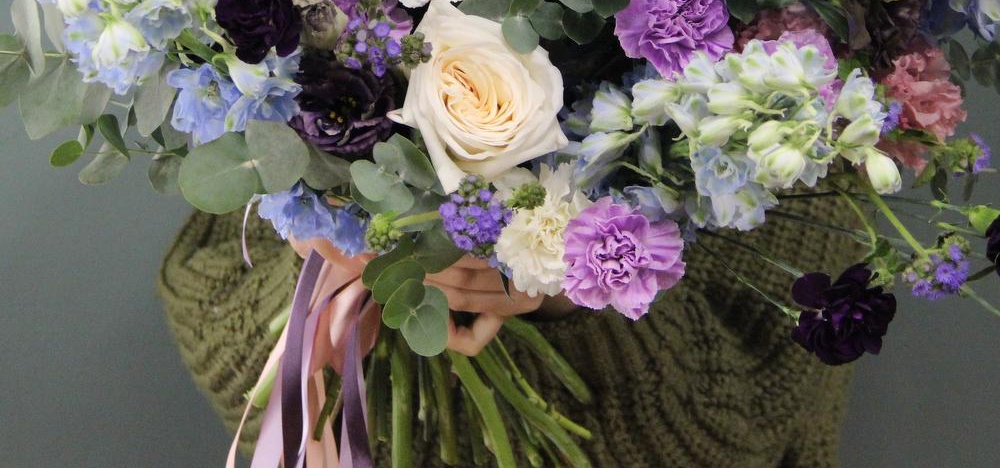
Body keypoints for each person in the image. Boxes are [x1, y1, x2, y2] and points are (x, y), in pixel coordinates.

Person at [160, 196, 858, 468]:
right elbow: (214, 328)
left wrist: (576, 288)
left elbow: (735, 434)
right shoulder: (287, 20)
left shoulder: (789, 70)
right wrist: (328, 253)